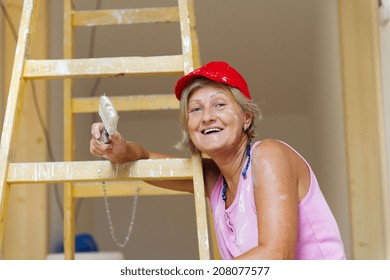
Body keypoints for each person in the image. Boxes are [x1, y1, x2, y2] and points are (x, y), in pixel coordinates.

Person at [90, 61, 346, 260]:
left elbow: (276, 257)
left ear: (246, 118)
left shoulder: (269, 156)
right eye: (196, 109)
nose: (207, 117)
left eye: (220, 105)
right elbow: (144, 158)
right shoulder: (216, 181)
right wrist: (119, 150)